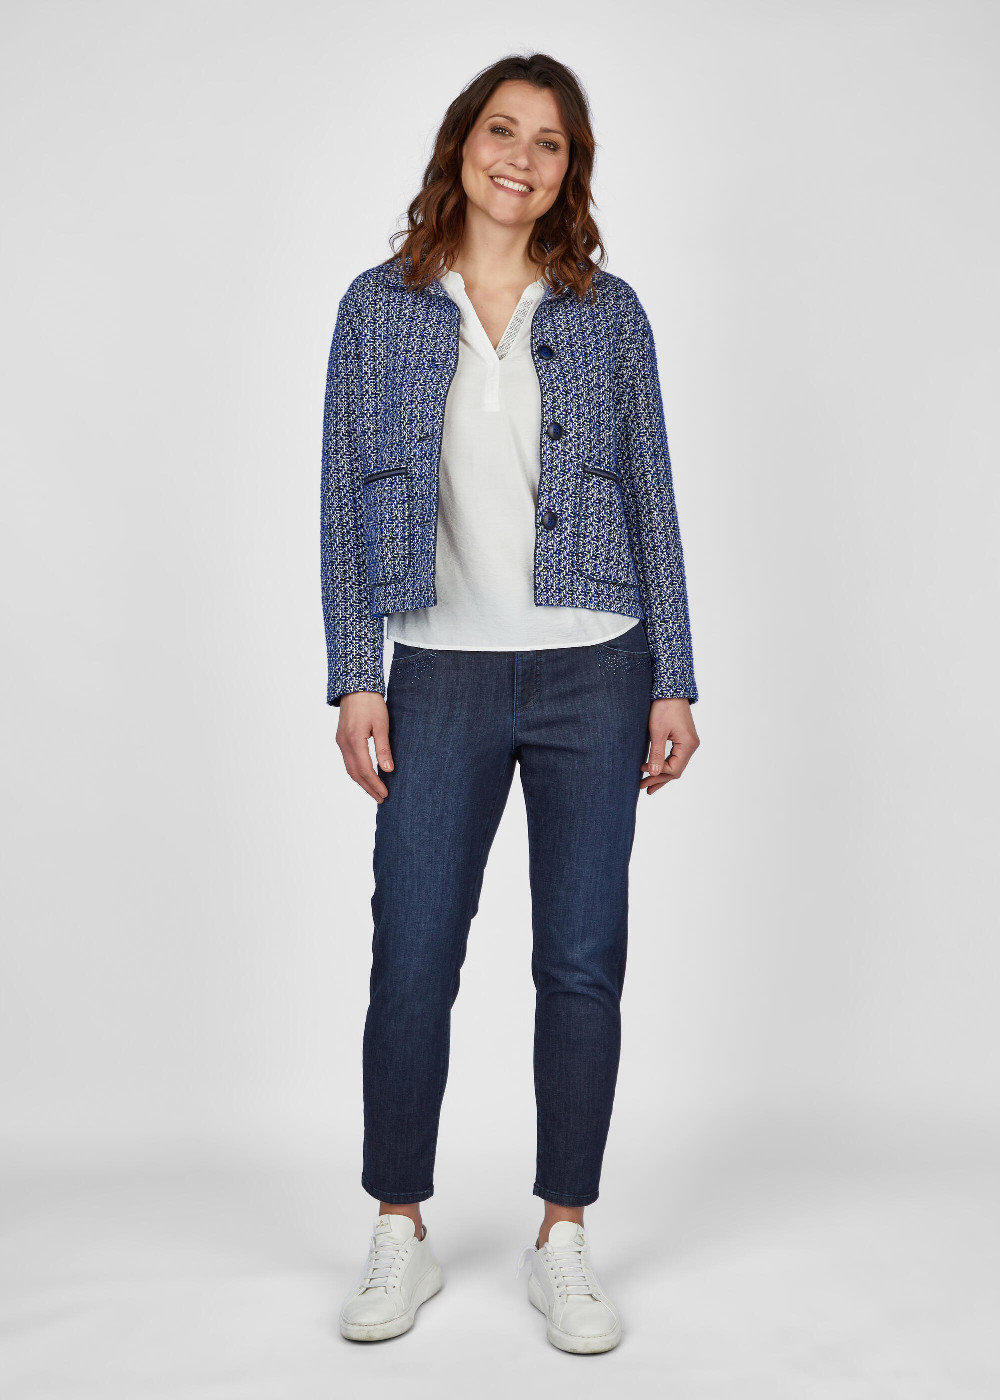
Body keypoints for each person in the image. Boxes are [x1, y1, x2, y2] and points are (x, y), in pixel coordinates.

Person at [321, 52, 700, 1354]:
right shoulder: (379, 309)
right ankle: (400, 1226)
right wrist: (355, 672)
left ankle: (563, 1236)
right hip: (437, 672)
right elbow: (340, 499)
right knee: (413, 954)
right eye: (503, 130)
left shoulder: (608, 313)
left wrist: (675, 677)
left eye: (550, 142)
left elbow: (653, 494)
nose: (521, 159)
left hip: (599, 668)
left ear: (568, 171)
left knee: (580, 961)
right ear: (463, 143)